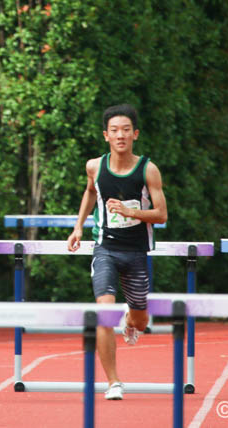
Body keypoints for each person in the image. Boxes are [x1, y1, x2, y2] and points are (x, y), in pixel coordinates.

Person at [67, 104, 167, 400]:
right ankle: (113, 382)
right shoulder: (94, 167)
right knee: (103, 312)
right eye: (114, 131)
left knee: (141, 320)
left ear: (135, 134)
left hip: (136, 252)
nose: (120, 135)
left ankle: (131, 319)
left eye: (126, 130)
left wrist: (129, 212)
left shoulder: (148, 169)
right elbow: (89, 191)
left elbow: (161, 215)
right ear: (105, 136)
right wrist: (78, 227)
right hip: (106, 250)